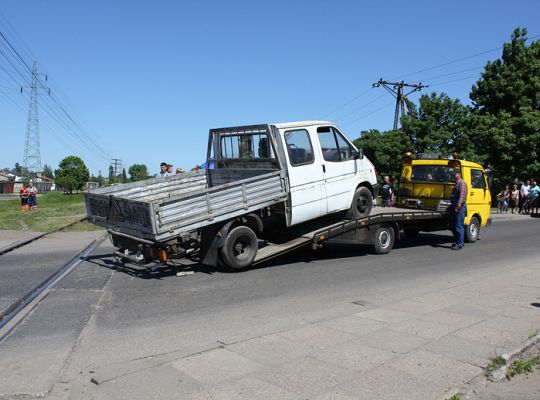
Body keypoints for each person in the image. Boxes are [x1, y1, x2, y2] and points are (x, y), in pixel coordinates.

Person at [449, 171, 468, 250]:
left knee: (459, 225)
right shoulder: (456, 183)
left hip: (459, 206)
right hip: (454, 206)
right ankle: (457, 241)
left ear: (459, 175)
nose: (453, 175)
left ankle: (460, 243)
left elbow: (462, 195)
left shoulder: (462, 183)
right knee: (453, 225)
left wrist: (459, 205)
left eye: (454, 174)